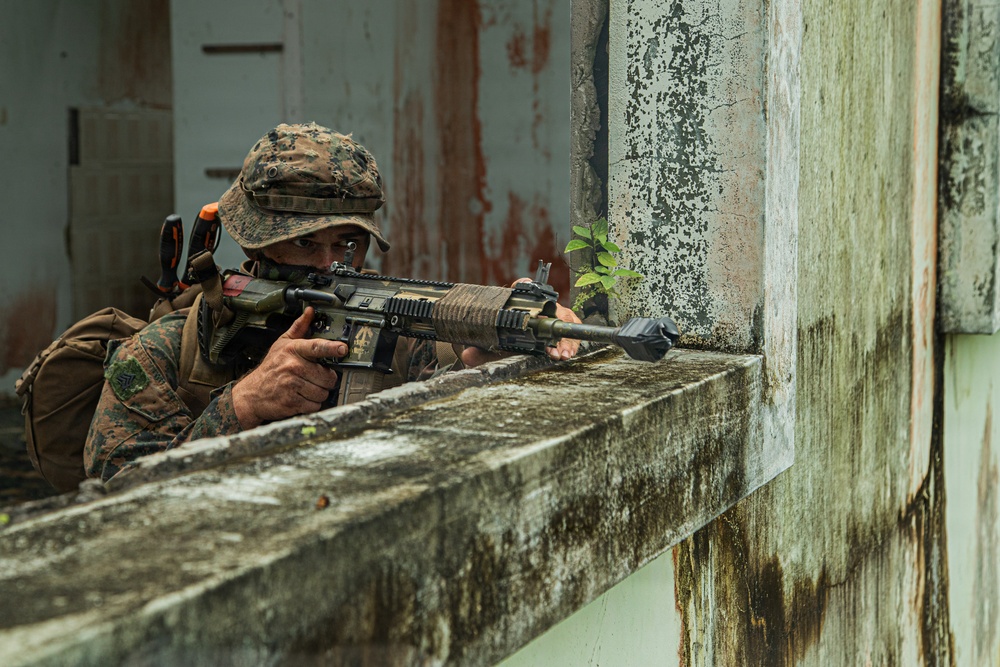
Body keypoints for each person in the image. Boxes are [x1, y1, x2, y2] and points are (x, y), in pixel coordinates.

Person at [84, 122, 581, 483]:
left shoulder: (385, 323)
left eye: (347, 244)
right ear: (256, 246)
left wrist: (496, 336)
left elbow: (449, 376)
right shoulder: (161, 352)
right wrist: (240, 406)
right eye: (305, 243)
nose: (329, 264)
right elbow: (116, 493)